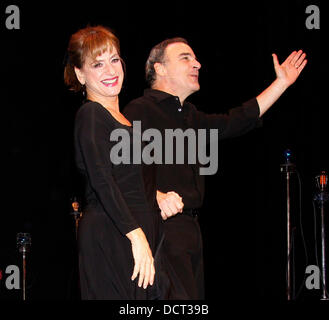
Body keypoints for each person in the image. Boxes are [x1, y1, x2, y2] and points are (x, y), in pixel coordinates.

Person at [123, 37, 307, 299]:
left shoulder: (190, 116)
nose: (197, 63)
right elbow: (121, 170)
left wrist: (281, 84)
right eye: (185, 57)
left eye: (195, 58)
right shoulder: (139, 110)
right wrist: (155, 196)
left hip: (190, 232)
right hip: (160, 230)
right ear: (159, 68)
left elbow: (238, 120)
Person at [64, 25, 180, 300]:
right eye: (98, 64)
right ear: (80, 74)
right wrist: (136, 236)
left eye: (114, 60)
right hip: (113, 235)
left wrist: (158, 198)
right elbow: (102, 180)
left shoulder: (128, 123)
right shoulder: (90, 114)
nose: (110, 70)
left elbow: (128, 180)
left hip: (140, 236)